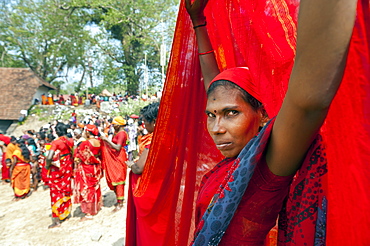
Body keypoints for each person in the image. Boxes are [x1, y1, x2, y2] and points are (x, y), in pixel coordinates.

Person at [185, 0, 357, 245]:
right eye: (211, 115)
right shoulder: (234, 164)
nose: (216, 128)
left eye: (232, 113)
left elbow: (307, 103)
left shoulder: (267, 167)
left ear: (262, 115)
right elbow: (214, 87)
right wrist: (198, 22)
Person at [126, 102, 159, 246]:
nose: (143, 123)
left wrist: (131, 164)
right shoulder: (172, 136)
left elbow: (140, 168)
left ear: (155, 121)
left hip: (152, 189)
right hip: (164, 186)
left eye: (146, 120)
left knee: (150, 228)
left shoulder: (154, 140)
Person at [46, 123, 74, 229]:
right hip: (67, 167)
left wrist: (47, 166)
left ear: (57, 132)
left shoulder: (56, 142)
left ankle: (57, 220)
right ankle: (65, 214)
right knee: (65, 190)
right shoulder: (70, 141)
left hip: (58, 170)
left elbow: (49, 157)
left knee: (56, 192)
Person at [73, 124, 103, 221]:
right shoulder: (99, 142)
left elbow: (79, 157)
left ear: (87, 132)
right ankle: (96, 207)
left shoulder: (84, 144)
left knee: (87, 189)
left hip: (86, 169)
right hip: (96, 167)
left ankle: (89, 212)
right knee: (95, 187)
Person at [100, 116, 128, 212]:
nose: (113, 126)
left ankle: (120, 203)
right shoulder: (118, 133)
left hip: (119, 157)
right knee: (115, 179)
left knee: (119, 179)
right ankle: (118, 199)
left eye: (114, 124)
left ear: (118, 125)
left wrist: (106, 140)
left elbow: (117, 147)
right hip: (116, 157)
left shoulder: (121, 134)